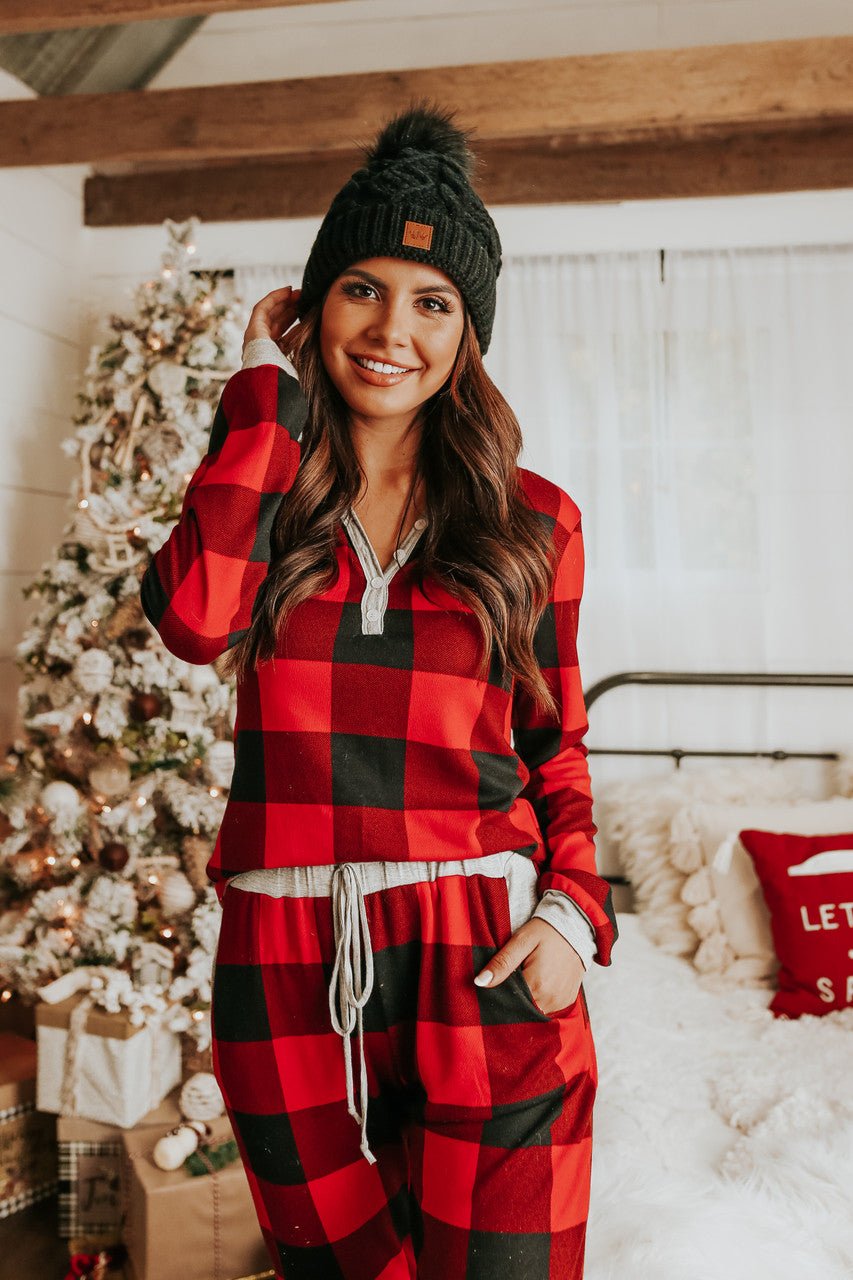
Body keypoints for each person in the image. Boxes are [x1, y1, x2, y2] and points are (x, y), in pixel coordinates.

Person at [141, 100, 618, 1280]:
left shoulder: (532, 521)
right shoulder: (261, 490)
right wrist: (264, 388)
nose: (390, 327)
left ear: (468, 332)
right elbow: (193, 623)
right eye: (361, 288)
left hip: (482, 953)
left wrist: (569, 911)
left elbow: (556, 743)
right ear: (314, 305)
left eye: (432, 300)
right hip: (283, 962)